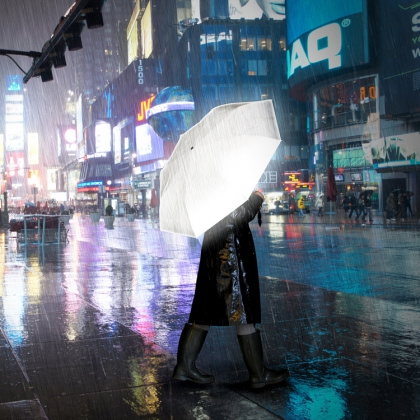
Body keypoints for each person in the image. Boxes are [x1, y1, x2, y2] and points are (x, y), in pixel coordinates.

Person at [173, 191, 290, 389]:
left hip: (217, 251)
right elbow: (236, 216)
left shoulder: (208, 183)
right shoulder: (222, 181)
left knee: (207, 311)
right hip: (230, 255)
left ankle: (185, 366)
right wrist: (256, 200)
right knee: (242, 309)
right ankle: (258, 374)